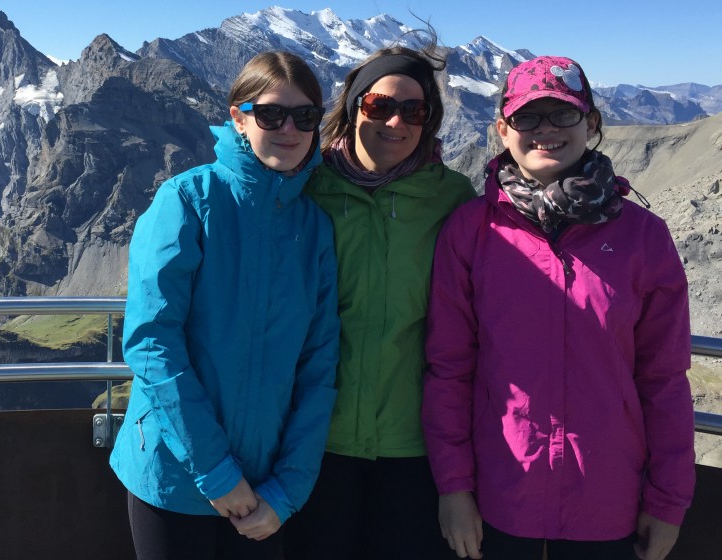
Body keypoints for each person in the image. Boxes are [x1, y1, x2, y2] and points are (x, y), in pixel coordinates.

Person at [422, 56, 695, 560]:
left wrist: (668, 502)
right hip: (500, 500)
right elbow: (449, 371)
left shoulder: (643, 237)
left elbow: (665, 379)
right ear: (503, 129)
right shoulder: (470, 232)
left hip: (608, 503)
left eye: (562, 115)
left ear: (590, 123)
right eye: (527, 118)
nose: (544, 131)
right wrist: (454, 489)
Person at [109, 51, 341, 560]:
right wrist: (217, 473)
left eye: (305, 116)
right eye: (270, 114)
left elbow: (319, 367)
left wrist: (287, 492)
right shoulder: (186, 200)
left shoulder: (314, 228)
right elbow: (152, 343)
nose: (289, 129)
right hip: (173, 479)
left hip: (265, 491)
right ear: (238, 116)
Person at [284, 42, 477, 559]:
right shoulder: (305, 186)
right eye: (379, 106)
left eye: (414, 110)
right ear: (353, 108)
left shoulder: (452, 198)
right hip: (314, 439)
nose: (396, 122)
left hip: (412, 445)